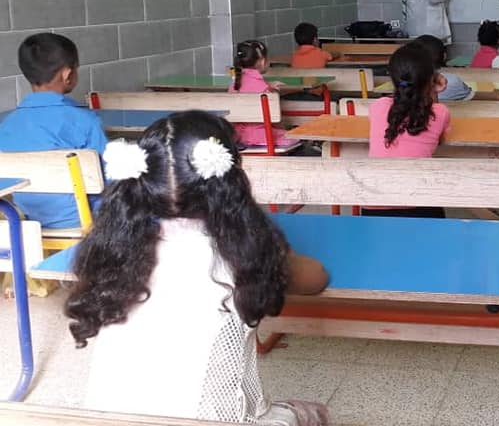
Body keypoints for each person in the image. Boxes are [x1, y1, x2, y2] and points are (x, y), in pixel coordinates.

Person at [65, 111, 330, 424]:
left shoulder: (113, 253)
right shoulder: (244, 255)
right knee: (311, 414)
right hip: (213, 420)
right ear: (231, 181)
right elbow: (317, 278)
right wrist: (269, 241)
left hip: (107, 420)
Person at [0, 32, 107, 228]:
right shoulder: (86, 121)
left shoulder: (6, 125)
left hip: (27, 223)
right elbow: (110, 180)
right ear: (67, 75)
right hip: (86, 222)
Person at [367, 44, 450, 218]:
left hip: (374, 207)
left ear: (392, 78)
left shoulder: (377, 107)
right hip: (419, 207)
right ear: (430, 79)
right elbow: (439, 138)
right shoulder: (440, 112)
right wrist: (432, 89)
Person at [229, 40, 299, 150]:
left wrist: (268, 85)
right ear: (262, 61)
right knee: (295, 137)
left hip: (237, 136)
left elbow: (249, 87)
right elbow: (275, 120)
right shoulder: (264, 89)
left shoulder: (234, 85)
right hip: (262, 137)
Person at [415, 35, 499, 101]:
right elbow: (475, 97)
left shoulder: (409, 85)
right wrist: (496, 95)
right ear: (444, 56)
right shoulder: (449, 81)